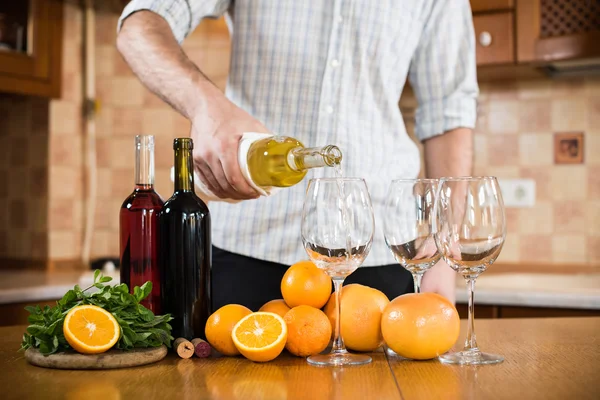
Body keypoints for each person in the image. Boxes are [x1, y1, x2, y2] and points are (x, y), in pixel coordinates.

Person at [117, 0, 478, 311]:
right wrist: (205, 105)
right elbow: (140, 23)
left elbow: (449, 109)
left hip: (382, 257)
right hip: (246, 249)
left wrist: (444, 252)